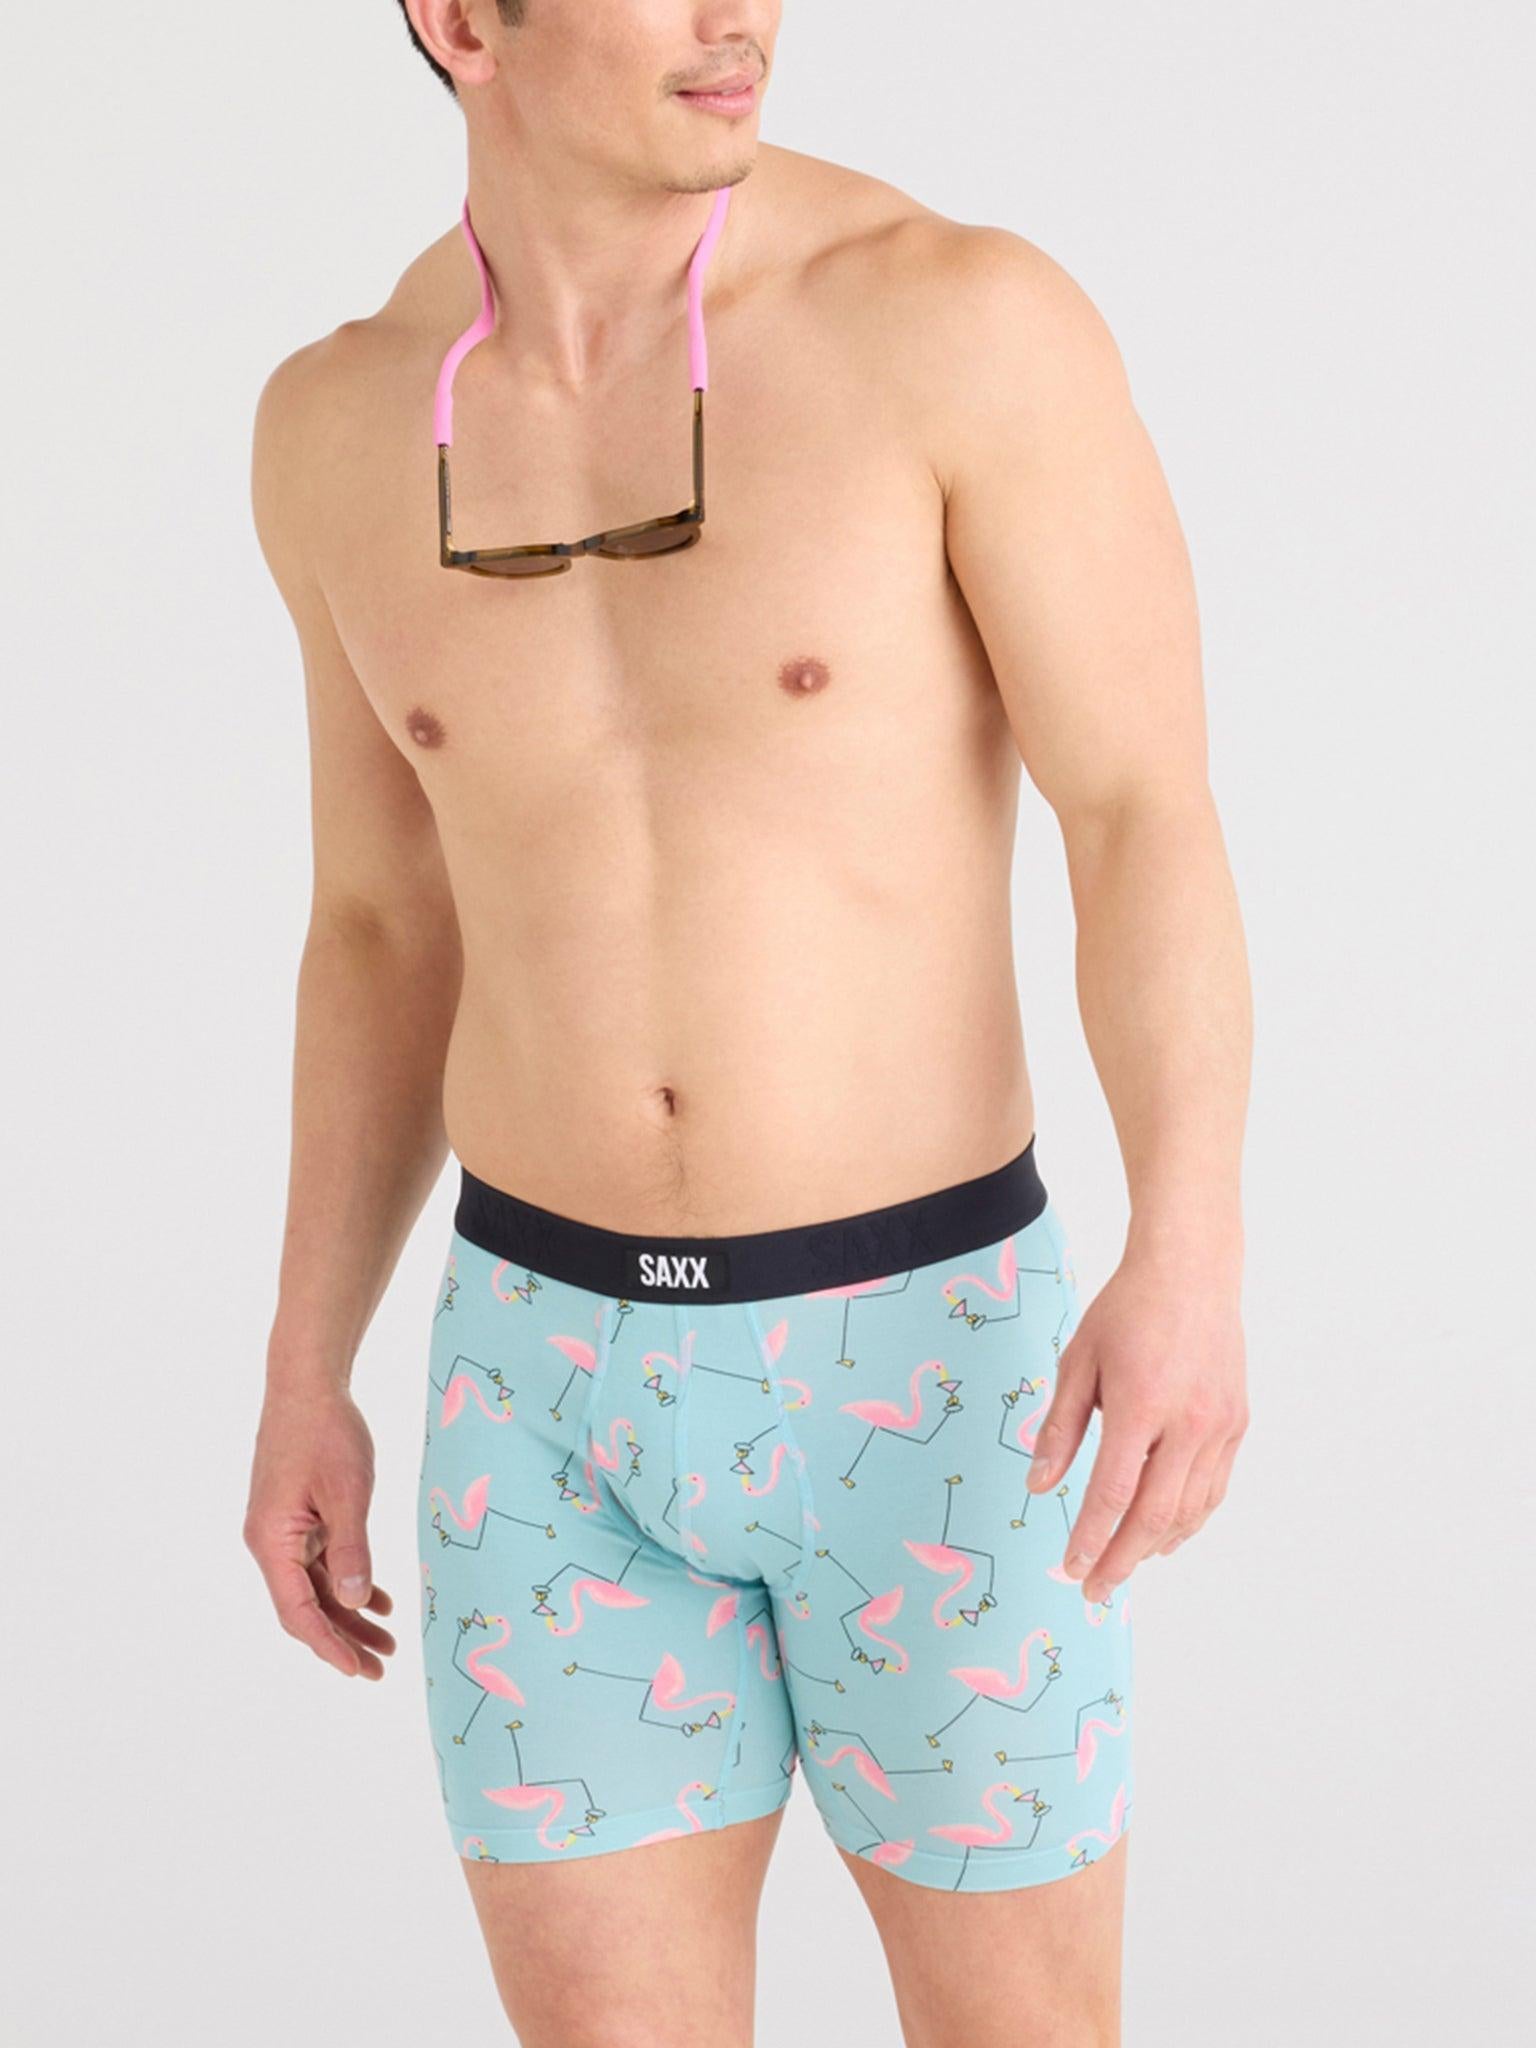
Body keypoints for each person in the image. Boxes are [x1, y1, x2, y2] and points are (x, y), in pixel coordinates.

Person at [243, 3, 1252, 2042]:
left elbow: (1142, 806)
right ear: (461, 18)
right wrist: (303, 1361)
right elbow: (376, 923)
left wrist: (1192, 1248)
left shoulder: (954, 322)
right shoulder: (338, 423)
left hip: (936, 1367)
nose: (744, 15)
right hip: (539, 1385)